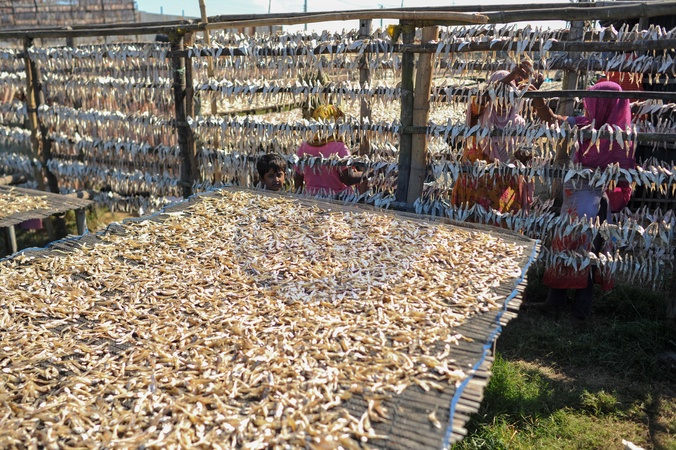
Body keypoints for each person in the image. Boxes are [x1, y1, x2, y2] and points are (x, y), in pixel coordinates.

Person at [531, 80, 636, 324]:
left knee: (588, 255)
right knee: (565, 249)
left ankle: (580, 312)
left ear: (604, 105)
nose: (587, 106)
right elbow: (554, 121)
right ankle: (555, 302)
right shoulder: (585, 125)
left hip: (596, 206)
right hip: (575, 202)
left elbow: (623, 175)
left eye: (591, 102)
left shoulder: (620, 138)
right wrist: (539, 102)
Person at [451, 60, 535, 213]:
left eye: (508, 93)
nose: (504, 99)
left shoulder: (518, 123)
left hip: (503, 193)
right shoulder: (480, 114)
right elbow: (482, 97)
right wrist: (510, 77)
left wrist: (523, 156)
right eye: (499, 94)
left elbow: (522, 157)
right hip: (474, 190)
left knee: (501, 225)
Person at [293, 104, 367, 196]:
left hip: (311, 197)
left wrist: (299, 197)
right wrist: (369, 173)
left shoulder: (304, 147)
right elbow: (348, 178)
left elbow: (297, 177)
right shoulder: (340, 147)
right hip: (338, 199)